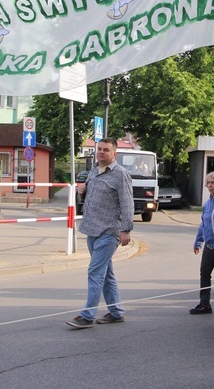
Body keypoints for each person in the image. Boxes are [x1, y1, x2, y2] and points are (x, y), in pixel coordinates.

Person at [66, 138, 134, 329]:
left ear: (114, 154)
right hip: (91, 230)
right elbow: (90, 197)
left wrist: (125, 230)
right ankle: (116, 311)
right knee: (106, 274)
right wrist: (82, 192)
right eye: (99, 149)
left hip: (108, 232)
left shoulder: (121, 175)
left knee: (95, 272)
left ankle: (87, 315)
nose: (101, 152)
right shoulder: (94, 171)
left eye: (106, 150)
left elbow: (127, 203)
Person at [189, 171, 214, 315]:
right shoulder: (207, 204)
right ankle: (204, 304)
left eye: (213, 183)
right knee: (204, 273)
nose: (210, 186)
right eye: (208, 183)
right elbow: (203, 224)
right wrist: (198, 241)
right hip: (210, 246)